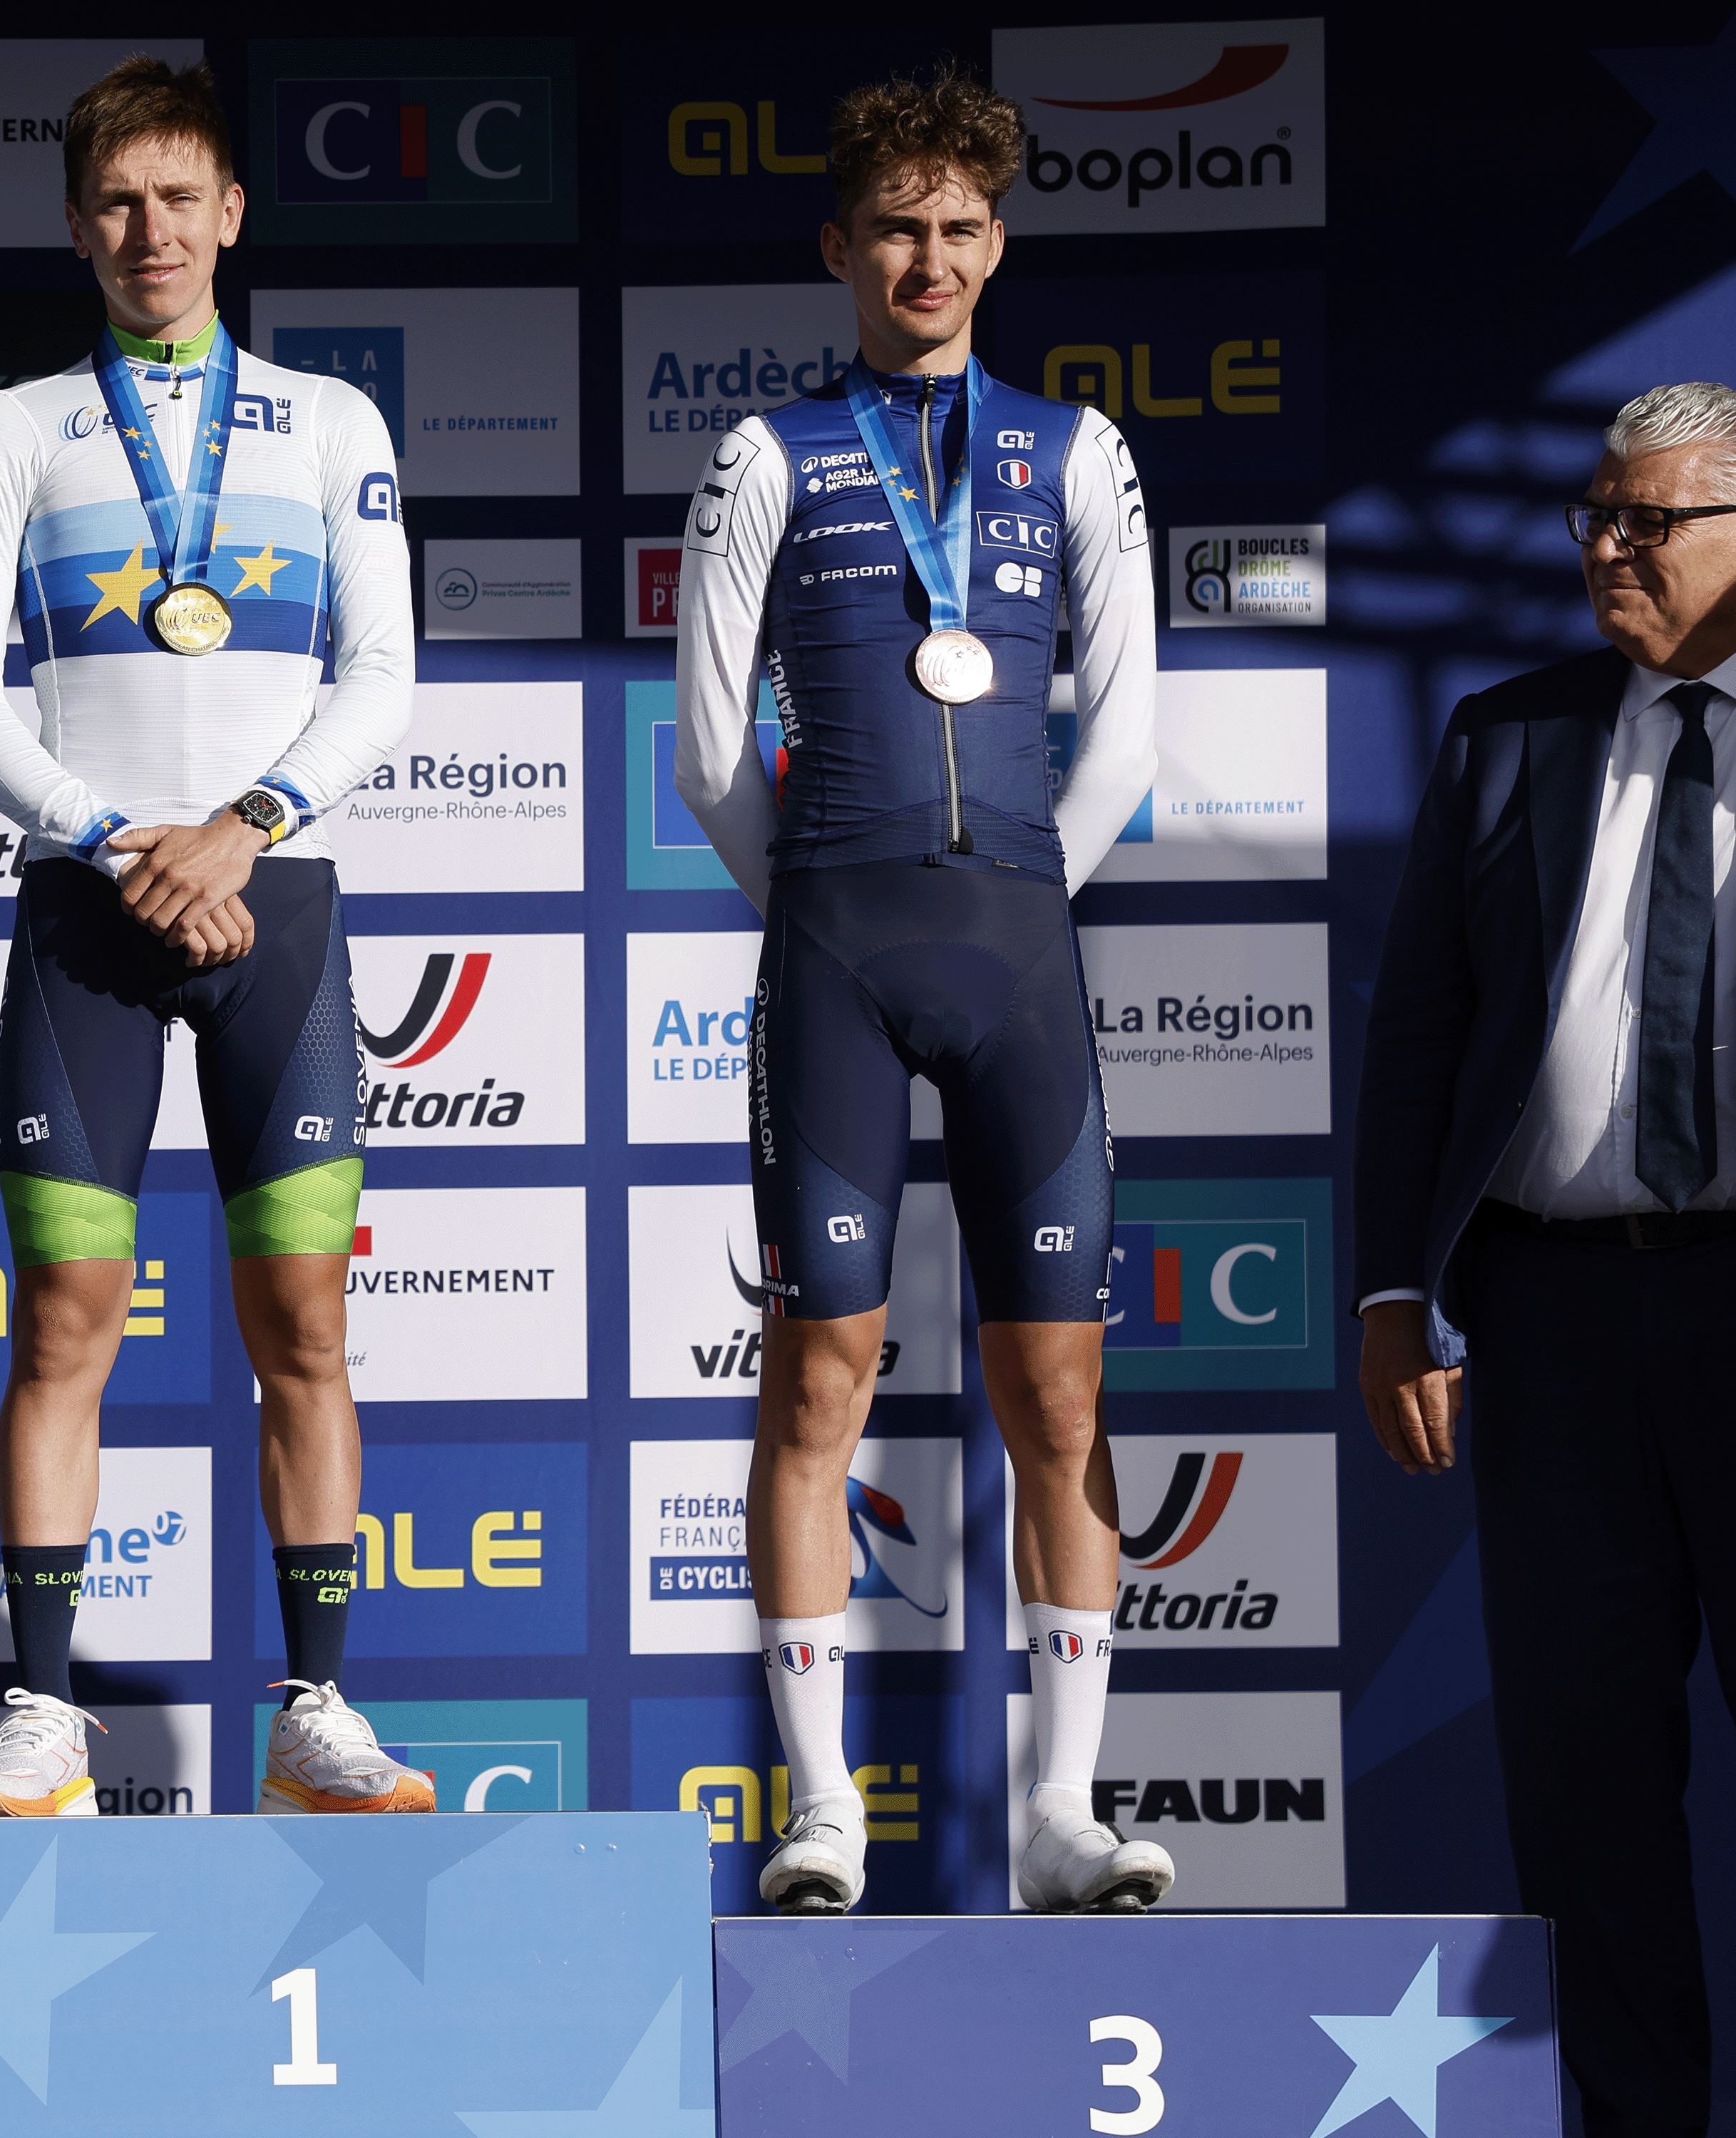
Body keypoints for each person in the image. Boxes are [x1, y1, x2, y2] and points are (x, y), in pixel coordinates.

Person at [670, 68, 1161, 1913]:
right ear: (838, 246)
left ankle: (1061, 1808)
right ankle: (819, 1807)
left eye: (957, 228)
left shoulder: (1077, 449)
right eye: (894, 227)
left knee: (1061, 1394)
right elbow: (708, 750)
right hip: (837, 955)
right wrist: (822, 901)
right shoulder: (765, 454)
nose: (927, 258)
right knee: (817, 1380)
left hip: (1018, 949)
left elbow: (1125, 735)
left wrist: (1015, 894)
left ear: (997, 245)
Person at [0, 55, 421, 1816]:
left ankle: (316, 1712)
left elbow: (382, 675)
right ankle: (42, 1716)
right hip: (91, 909)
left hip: (273, 900)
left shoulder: (331, 423)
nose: (151, 231)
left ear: (230, 214)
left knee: (304, 1324)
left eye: (179, 198)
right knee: (65, 1320)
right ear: (77, 224)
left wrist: (239, 829)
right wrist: (112, 834)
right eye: (118, 202)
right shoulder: (15, 427)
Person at [1358, 381, 1736, 2137]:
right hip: (1554, 1321)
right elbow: (1418, 1034)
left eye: (1650, 521)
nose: (1606, 548)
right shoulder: (1505, 734)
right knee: (1584, 1787)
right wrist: (1393, 1289)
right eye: (1596, 514)